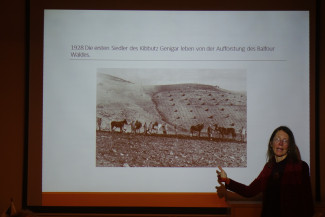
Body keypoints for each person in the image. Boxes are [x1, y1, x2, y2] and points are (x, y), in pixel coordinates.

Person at [216, 126, 314, 217]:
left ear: (289, 146)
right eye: (277, 139)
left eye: (285, 140)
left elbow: (307, 202)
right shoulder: (268, 167)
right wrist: (227, 180)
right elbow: (249, 191)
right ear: (271, 144)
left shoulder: (300, 167)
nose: (280, 143)